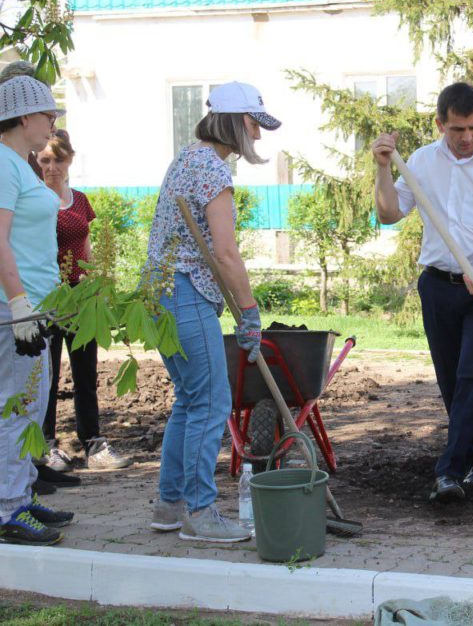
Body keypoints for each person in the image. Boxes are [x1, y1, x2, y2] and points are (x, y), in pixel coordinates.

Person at [371, 83, 473, 503]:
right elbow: (388, 213)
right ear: (441, 124)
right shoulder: (420, 161)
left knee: (471, 375)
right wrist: (384, 167)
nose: (468, 137)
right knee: (450, 381)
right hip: (438, 286)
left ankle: (449, 472)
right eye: (458, 129)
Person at [146, 81, 280, 542]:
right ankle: (200, 513)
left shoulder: (187, 157)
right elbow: (225, 253)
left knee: (189, 400)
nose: (258, 138)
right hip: (183, 292)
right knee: (212, 402)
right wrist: (249, 312)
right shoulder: (211, 170)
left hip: (160, 293)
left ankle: (170, 505)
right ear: (238, 122)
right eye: (255, 126)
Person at [0, 75, 74, 544]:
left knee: (33, 406)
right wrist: (18, 302)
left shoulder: (20, 164)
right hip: (16, 311)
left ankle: (22, 495)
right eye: (48, 115)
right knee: (17, 408)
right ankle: (8, 509)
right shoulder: (3, 164)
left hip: (36, 308)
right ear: (25, 116)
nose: (52, 123)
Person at [38, 130, 130, 472]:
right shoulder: (33, 200)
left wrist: (98, 283)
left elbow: (85, 246)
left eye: (57, 160)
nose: (51, 167)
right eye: (45, 160)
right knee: (46, 374)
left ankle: (93, 445)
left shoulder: (80, 201)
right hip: (48, 298)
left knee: (85, 373)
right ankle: (46, 445)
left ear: (70, 160)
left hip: (82, 298)